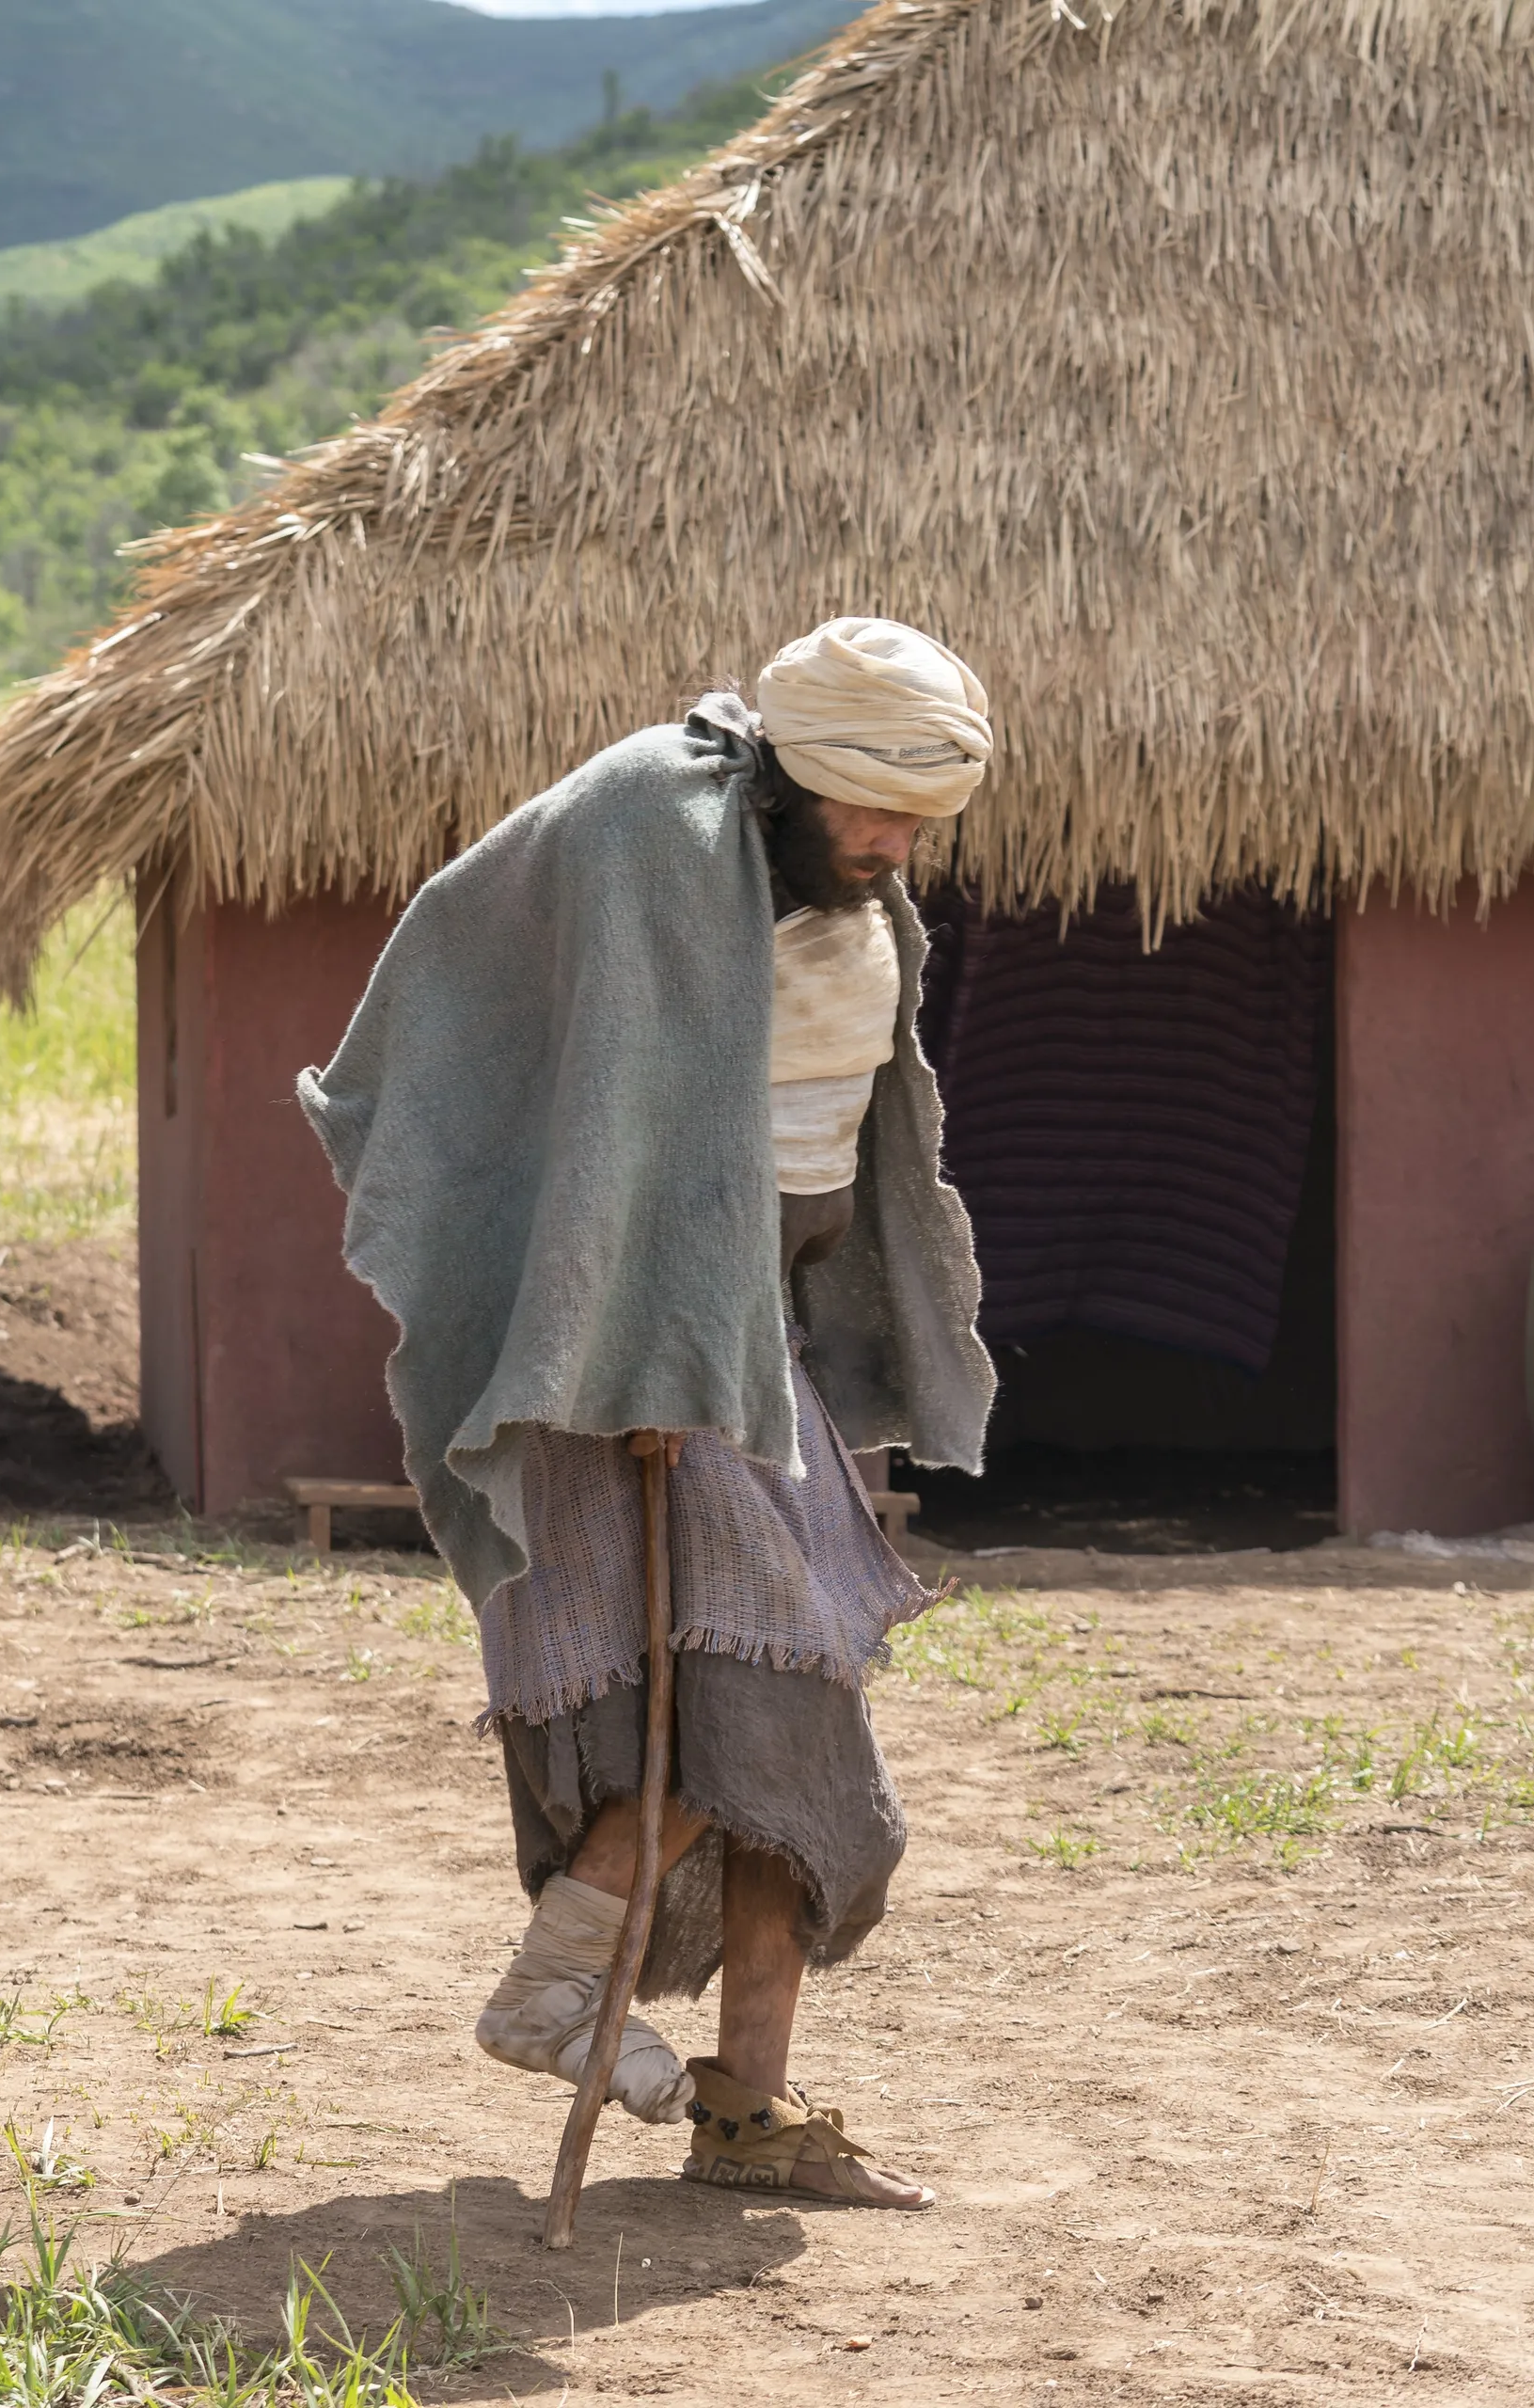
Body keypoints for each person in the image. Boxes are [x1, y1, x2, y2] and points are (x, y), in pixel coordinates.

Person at [301, 617, 1001, 2205]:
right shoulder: (649, 826)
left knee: (784, 1712)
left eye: (920, 823)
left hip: (754, 1343)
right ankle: (557, 1992)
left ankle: (747, 2111)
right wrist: (636, 1347)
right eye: (874, 811)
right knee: (765, 1703)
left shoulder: (825, 869)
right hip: (641, 1354)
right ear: (798, 767)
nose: (895, 849)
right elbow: (616, 1109)